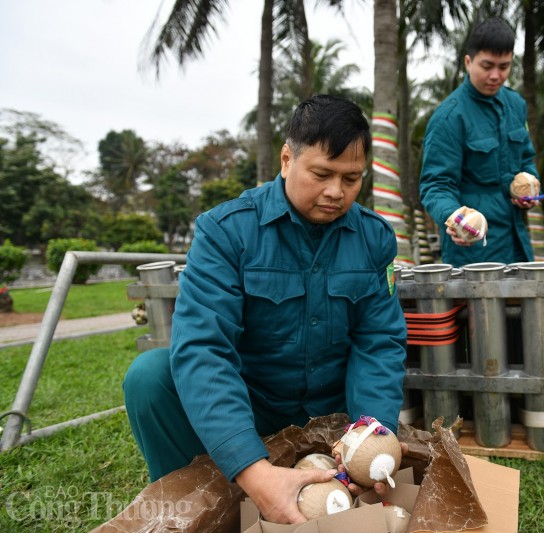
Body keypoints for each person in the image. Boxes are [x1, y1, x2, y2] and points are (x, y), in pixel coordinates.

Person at [123, 94, 408, 524]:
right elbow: (204, 349)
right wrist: (254, 471)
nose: (336, 192)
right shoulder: (225, 232)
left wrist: (369, 438)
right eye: (321, 173)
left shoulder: (374, 239)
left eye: (352, 179)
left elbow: (378, 343)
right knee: (150, 378)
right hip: (253, 406)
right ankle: (188, 509)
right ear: (287, 158)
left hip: (331, 416)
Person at [419, 17, 542, 267]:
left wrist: (528, 187)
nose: (496, 75)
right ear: (468, 61)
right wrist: (454, 217)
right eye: (487, 66)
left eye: (504, 66)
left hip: (517, 244)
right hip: (474, 251)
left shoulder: (515, 105)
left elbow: (526, 159)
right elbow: (436, 185)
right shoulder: (449, 117)